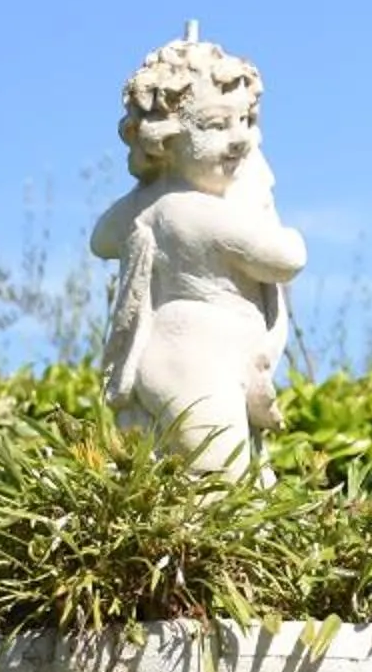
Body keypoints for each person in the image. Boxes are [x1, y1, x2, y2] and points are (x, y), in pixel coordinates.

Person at [91, 33, 307, 476]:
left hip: (169, 356)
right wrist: (279, 223)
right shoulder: (196, 212)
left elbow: (102, 239)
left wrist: (150, 186)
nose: (240, 140)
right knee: (223, 477)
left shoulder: (147, 204)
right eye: (214, 125)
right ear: (163, 141)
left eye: (245, 120)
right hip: (198, 363)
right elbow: (284, 258)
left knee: (219, 479)